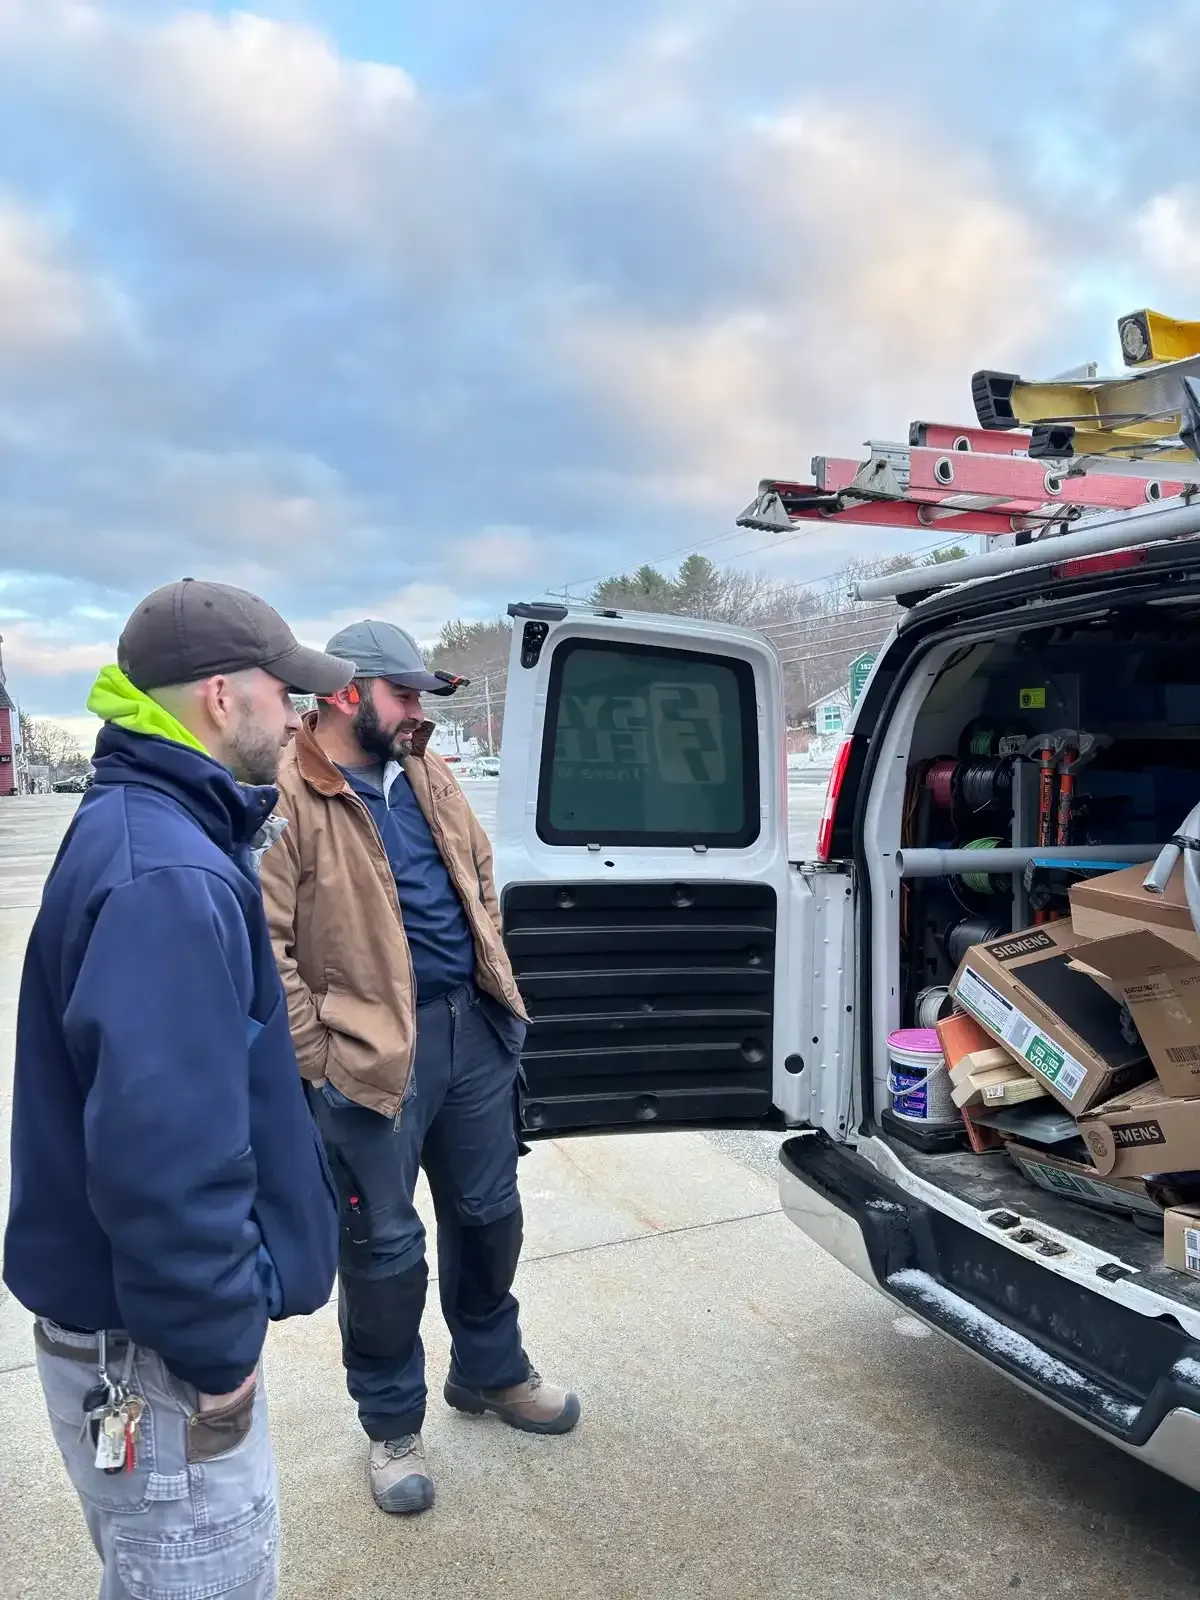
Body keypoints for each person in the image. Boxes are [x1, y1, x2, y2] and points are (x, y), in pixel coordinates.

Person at [3, 579, 354, 1600]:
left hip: (138, 1337)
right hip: (159, 1360)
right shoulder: (169, 872)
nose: (298, 713)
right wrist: (217, 1354)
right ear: (218, 696)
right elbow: (164, 1159)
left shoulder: (146, 826)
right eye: (284, 690)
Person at [259, 618, 579, 1517]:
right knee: (385, 1251)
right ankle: (391, 1425)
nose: (418, 713)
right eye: (404, 694)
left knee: (489, 1217)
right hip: (367, 1064)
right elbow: (267, 943)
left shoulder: (423, 768)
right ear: (343, 694)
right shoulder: (287, 795)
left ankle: (491, 1373)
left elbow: (477, 873)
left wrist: (494, 991)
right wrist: (319, 1058)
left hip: (468, 1034)